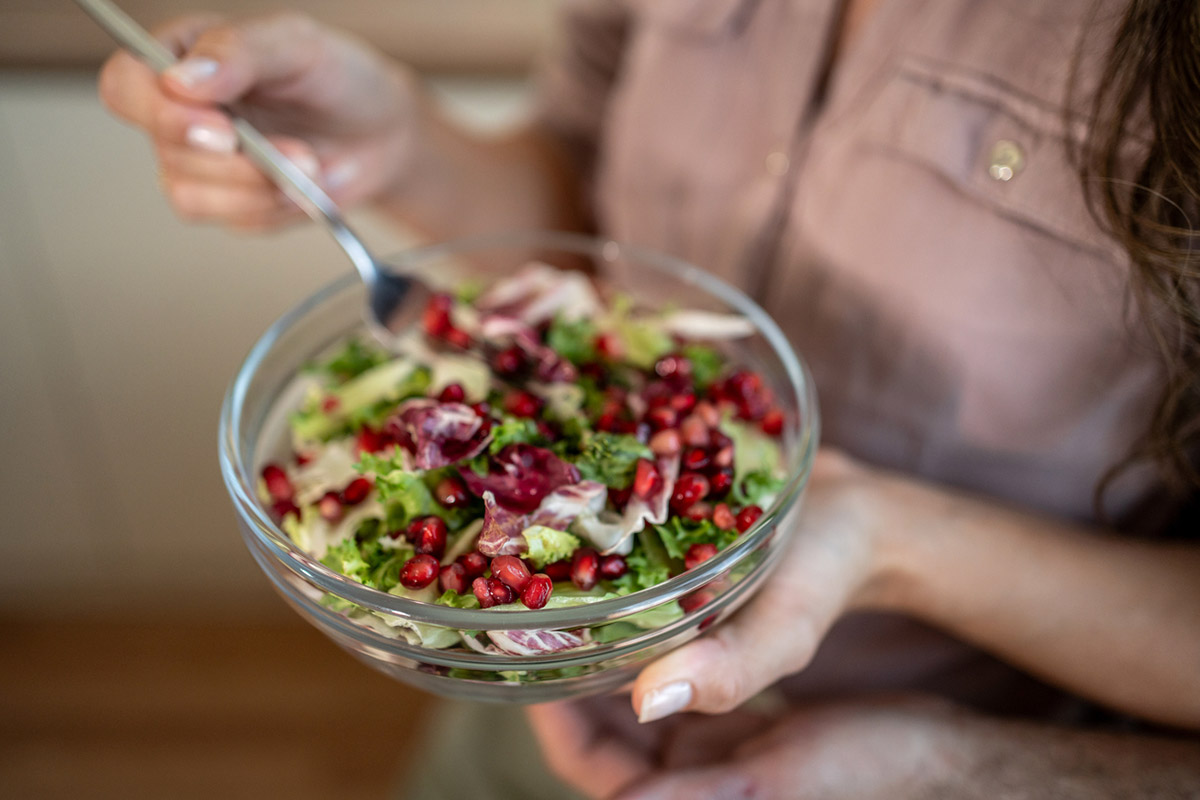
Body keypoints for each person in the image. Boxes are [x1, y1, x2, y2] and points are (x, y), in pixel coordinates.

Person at [97, 0, 1200, 796]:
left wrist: (899, 557)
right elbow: (581, 212)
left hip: (978, 747)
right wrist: (402, 143)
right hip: (541, 677)